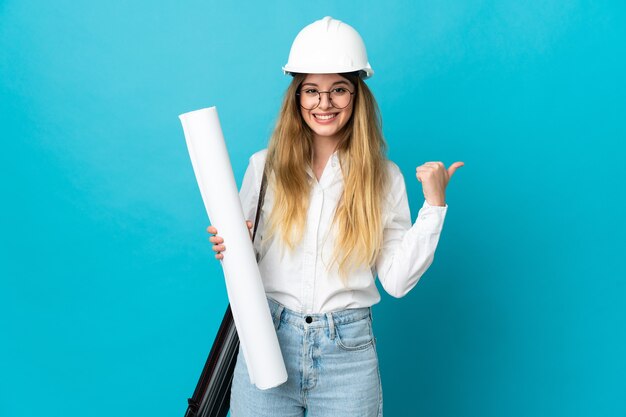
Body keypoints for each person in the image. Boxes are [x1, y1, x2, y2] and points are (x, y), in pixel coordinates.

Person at [207, 16, 463, 417]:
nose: (323, 104)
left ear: (357, 96)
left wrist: (434, 206)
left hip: (348, 351)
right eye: (312, 90)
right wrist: (231, 247)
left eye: (338, 90)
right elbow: (245, 263)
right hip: (267, 340)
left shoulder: (383, 178)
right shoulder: (264, 167)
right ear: (297, 97)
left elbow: (395, 282)